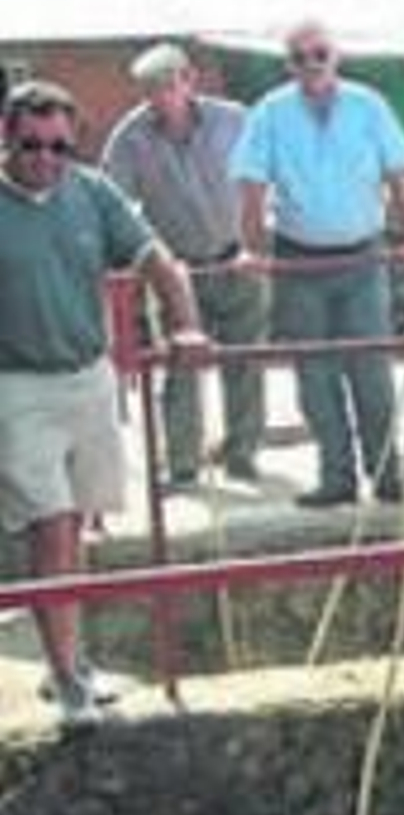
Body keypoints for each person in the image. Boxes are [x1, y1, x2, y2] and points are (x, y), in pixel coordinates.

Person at [0, 79, 207, 726]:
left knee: (77, 526)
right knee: (52, 528)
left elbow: (157, 259)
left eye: (58, 146)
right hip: (16, 386)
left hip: (88, 377)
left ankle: (70, 661)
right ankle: (69, 682)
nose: (45, 158)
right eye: (31, 145)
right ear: (7, 138)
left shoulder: (92, 192)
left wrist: (186, 325)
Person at [232, 20, 404, 508]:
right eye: (300, 57)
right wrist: (252, 249)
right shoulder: (270, 112)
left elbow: (399, 177)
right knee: (314, 375)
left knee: (372, 370)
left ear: (336, 56)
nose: (312, 64)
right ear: (288, 65)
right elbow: (251, 187)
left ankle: (387, 476)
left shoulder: (369, 104)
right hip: (299, 261)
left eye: (320, 53)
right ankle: (336, 477)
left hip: (363, 255)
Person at [102, 41, 268, 484]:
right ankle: (182, 463)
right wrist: (146, 257)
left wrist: (257, 242)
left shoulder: (234, 119)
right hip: (176, 271)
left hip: (236, 259)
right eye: (148, 89)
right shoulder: (129, 138)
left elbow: (266, 176)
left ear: (189, 80)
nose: (158, 96)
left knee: (245, 361)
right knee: (180, 365)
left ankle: (243, 453)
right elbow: (115, 206)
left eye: (166, 85)